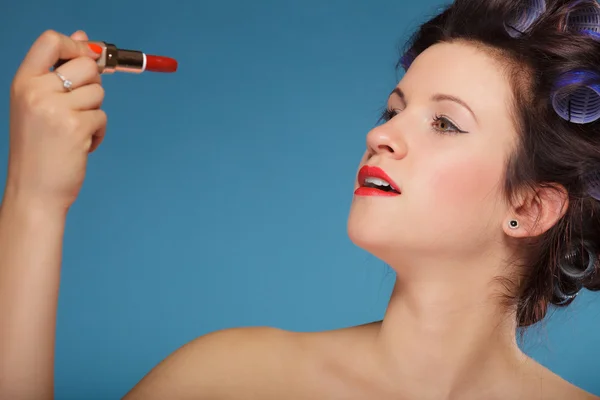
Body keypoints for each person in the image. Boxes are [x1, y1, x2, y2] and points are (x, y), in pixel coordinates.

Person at [2, 0, 600, 398]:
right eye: (393, 110)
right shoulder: (230, 379)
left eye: (444, 123)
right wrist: (35, 200)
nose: (380, 135)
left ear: (532, 206)